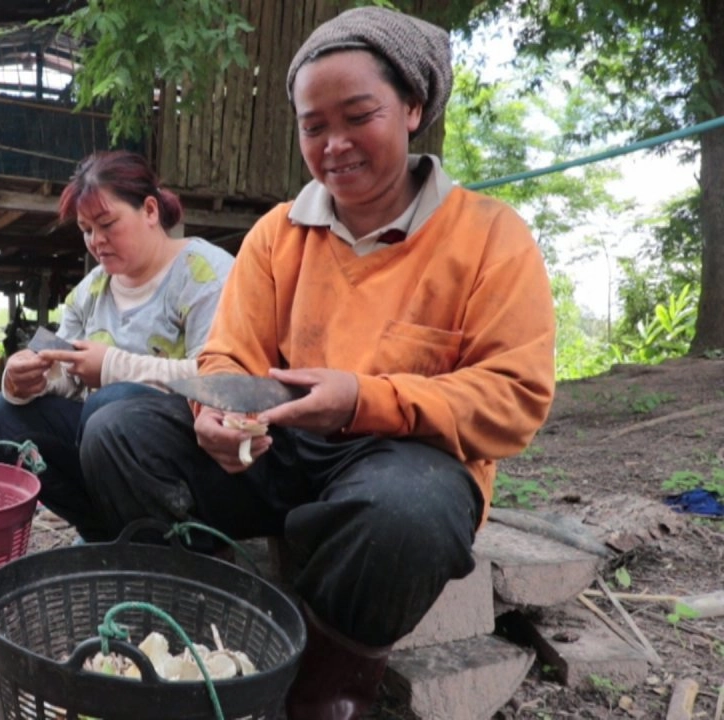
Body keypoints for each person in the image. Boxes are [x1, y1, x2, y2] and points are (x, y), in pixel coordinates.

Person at [75, 7, 556, 719]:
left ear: (413, 108)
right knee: (115, 426)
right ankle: (222, 629)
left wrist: (363, 398)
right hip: (279, 447)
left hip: (402, 459)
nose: (334, 145)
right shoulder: (279, 233)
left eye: (358, 116)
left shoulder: (490, 237)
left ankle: (326, 688)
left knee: (411, 515)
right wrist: (216, 414)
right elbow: (231, 351)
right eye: (313, 125)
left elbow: (513, 399)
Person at [0, 150, 236, 542]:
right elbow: (66, 373)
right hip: (106, 438)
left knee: (107, 408)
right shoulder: (90, 290)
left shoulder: (205, 274)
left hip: (189, 456)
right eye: (85, 229)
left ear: (150, 211)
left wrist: (112, 367)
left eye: (107, 224)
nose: (96, 241)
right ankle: (103, 535)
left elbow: (219, 380)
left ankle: (184, 542)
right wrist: (27, 378)